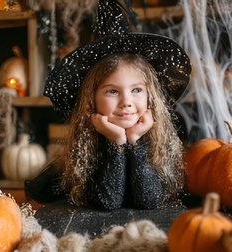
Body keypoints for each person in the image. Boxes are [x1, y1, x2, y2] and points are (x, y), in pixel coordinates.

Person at [26, 0, 191, 210]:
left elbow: (148, 200)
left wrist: (134, 141)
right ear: (92, 99)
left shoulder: (154, 138)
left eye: (137, 90)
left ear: (151, 97)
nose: (126, 102)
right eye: (112, 91)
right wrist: (117, 142)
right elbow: (108, 201)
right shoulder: (88, 144)